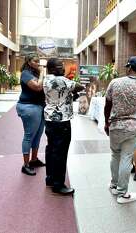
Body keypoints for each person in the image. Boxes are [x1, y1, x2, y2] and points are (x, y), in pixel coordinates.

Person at [104, 56, 136, 204]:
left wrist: (107, 123)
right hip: (133, 127)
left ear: (128, 68)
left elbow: (108, 105)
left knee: (115, 155)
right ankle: (122, 193)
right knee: (126, 157)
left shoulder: (115, 83)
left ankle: (113, 185)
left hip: (115, 126)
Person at [43, 58, 84, 195]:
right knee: (60, 152)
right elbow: (79, 86)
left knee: (51, 149)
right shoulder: (61, 80)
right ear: (52, 68)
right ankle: (58, 185)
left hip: (50, 119)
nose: (63, 68)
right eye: (60, 66)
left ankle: (50, 178)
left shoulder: (46, 79)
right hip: (61, 121)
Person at [16, 53, 46, 176]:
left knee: (38, 135)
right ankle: (26, 165)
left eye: (39, 61)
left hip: (39, 106)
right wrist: (43, 73)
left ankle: (34, 160)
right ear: (29, 62)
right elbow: (38, 87)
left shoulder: (35, 74)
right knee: (29, 135)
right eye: (35, 61)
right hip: (29, 106)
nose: (38, 63)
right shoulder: (25, 74)